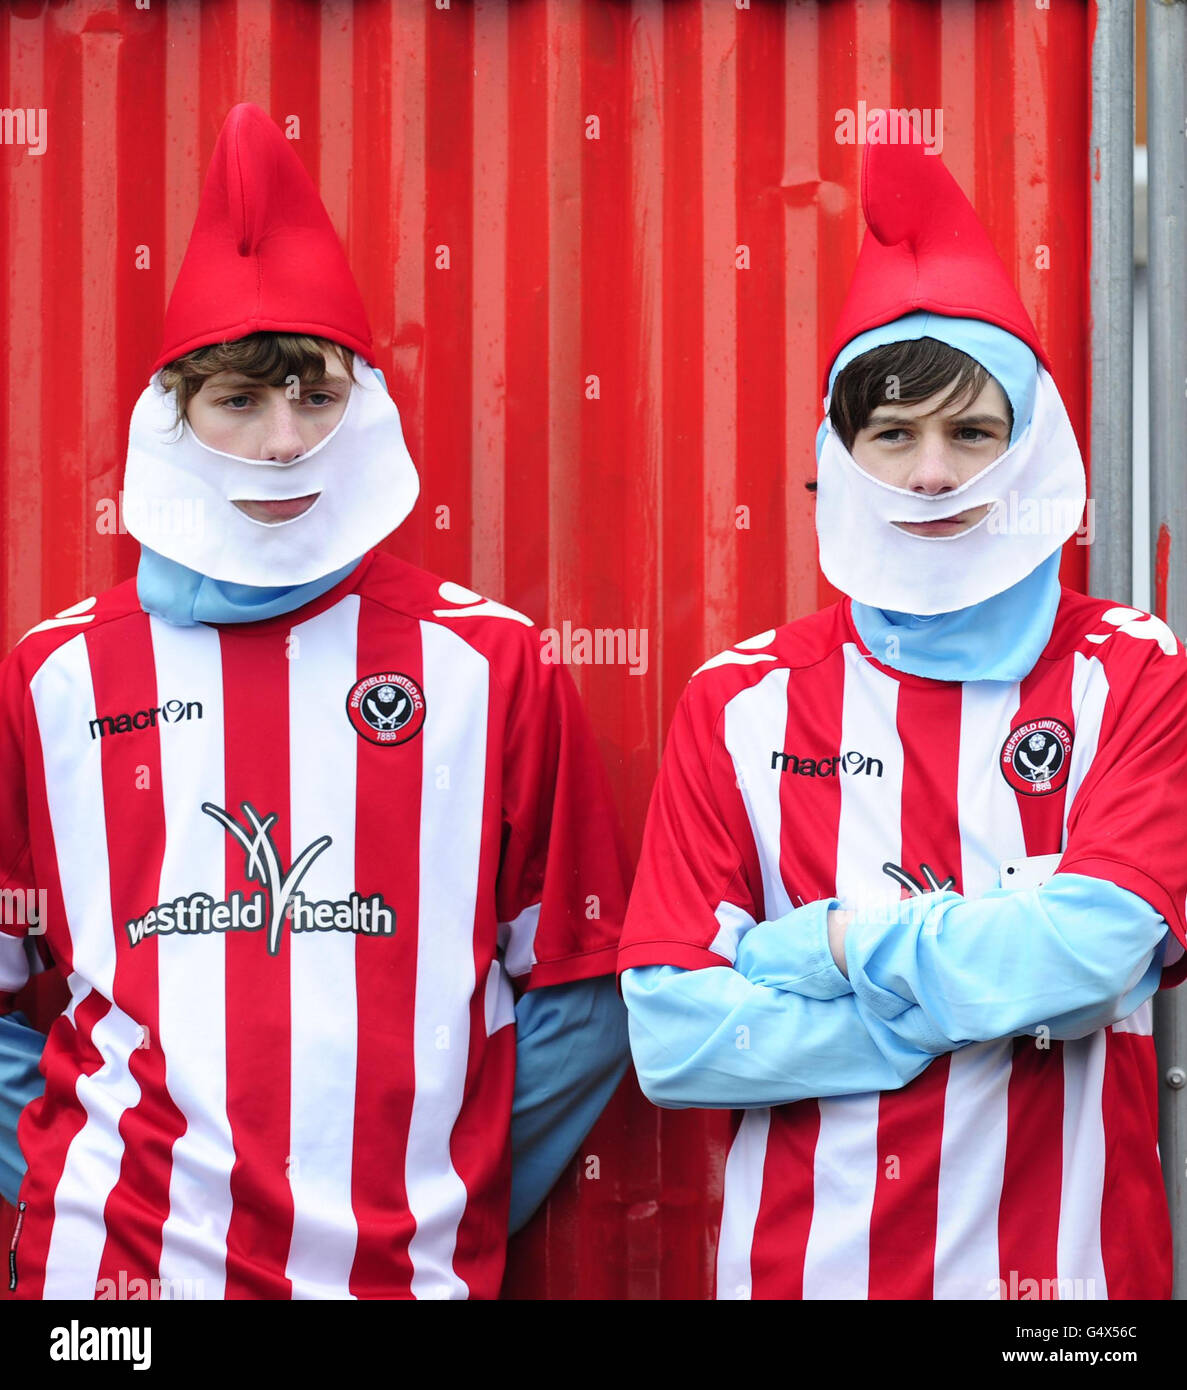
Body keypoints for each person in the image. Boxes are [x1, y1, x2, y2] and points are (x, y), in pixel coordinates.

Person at [0, 102, 631, 1300]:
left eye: (313, 393)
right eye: (237, 400)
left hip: (403, 1278)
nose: (282, 441)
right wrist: (70, 1175)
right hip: (107, 1290)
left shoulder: (487, 663)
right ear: (171, 418)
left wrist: (445, 1193)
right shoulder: (51, 674)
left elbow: (584, 995)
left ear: (364, 401)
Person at [617, 133, 1187, 1301]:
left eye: (970, 432)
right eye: (892, 434)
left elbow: (1091, 955)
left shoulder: (1132, 669)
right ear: (842, 457)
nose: (930, 474)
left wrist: (820, 947)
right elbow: (673, 1038)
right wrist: (978, 987)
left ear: (1029, 452)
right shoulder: (735, 699)